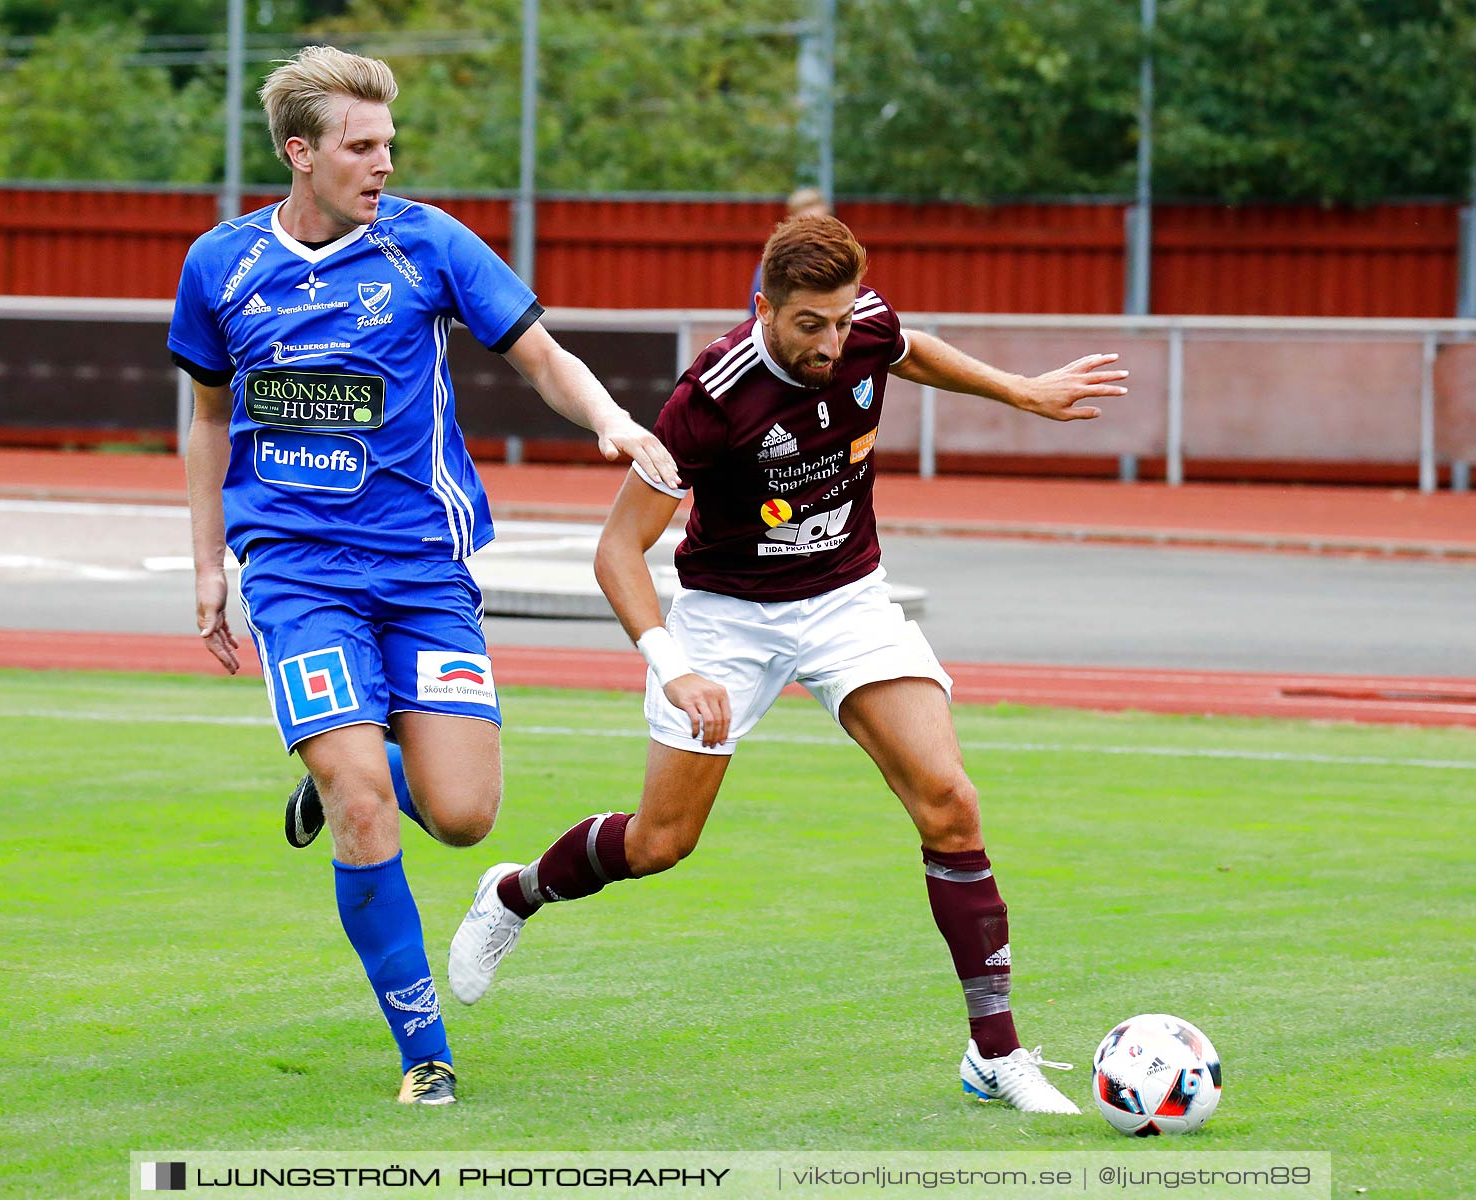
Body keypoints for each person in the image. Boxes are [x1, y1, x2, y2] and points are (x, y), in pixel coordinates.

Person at [447, 215, 1128, 1113]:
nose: (834, 342)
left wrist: (1020, 391)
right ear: (762, 307)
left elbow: (906, 345)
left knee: (950, 800)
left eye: (844, 322)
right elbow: (618, 553)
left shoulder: (861, 326)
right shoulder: (707, 403)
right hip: (729, 621)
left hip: (849, 599)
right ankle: (516, 891)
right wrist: (672, 664)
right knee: (661, 844)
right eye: (811, 323)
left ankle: (993, 1055)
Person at [166, 45, 678, 1108]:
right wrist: (207, 564)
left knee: (462, 817)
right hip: (297, 574)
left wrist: (615, 419)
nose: (383, 163)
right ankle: (424, 1054)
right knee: (363, 802)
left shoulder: (428, 244)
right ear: (301, 155)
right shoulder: (220, 265)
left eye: (389, 144)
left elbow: (540, 354)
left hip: (424, 572)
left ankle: (349, 771)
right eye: (361, 147)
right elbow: (208, 417)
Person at [748, 187, 830, 314]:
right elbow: (756, 318)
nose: (814, 229)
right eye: (806, 222)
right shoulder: (773, 267)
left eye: (821, 223)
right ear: (792, 223)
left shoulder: (840, 263)